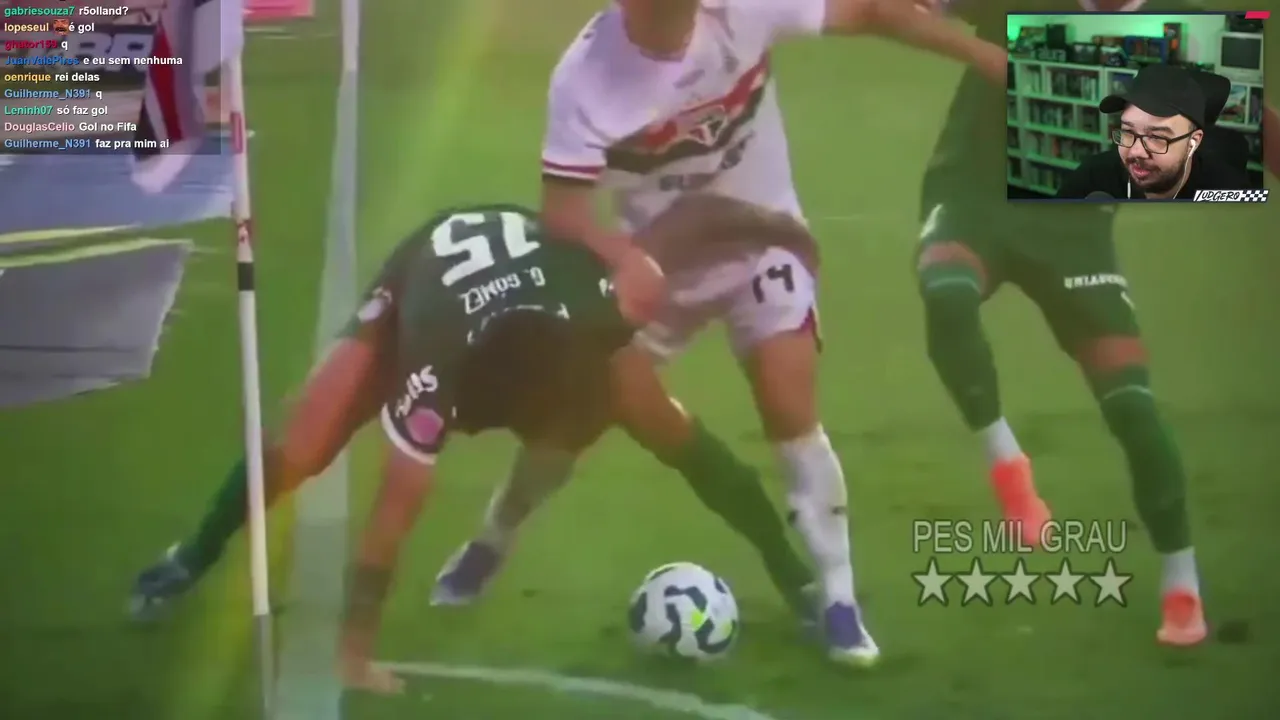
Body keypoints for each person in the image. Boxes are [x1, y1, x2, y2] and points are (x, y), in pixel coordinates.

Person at [438, 0, 1008, 668]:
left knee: (789, 404)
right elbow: (563, 218)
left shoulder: (746, 6)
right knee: (570, 422)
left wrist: (988, 59)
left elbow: (873, 11)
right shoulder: (586, 78)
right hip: (655, 265)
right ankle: (493, 538)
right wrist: (624, 262)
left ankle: (838, 600)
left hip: (765, 241)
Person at [129, 203, 817, 693]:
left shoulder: (605, 326)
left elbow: (689, 227)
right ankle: (188, 558)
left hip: (542, 283)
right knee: (307, 442)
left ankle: (494, 539)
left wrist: (793, 575)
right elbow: (395, 508)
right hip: (426, 274)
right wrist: (354, 655)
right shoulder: (432, 363)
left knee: (642, 418)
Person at [915, 0, 1231, 647]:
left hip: (1075, 229)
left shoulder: (1177, 31)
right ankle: (1010, 469)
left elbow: (1245, 128)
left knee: (1134, 408)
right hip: (974, 200)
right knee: (946, 295)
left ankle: (1183, 588)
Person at [1056, 65, 1251, 200]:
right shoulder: (1093, 177)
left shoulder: (1231, 193)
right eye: (1128, 131)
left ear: (1193, 142)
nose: (1135, 152)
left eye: (1156, 137)